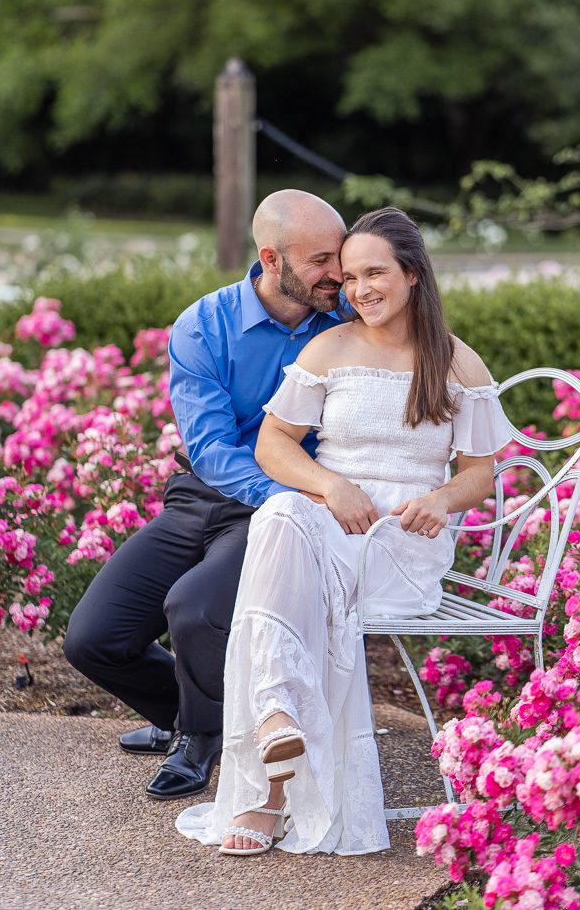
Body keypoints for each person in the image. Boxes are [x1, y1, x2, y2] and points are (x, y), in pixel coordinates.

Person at [175, 206, 512, 856]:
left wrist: (440, 499)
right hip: (332, 519)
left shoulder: (456, 361)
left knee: (289, 559)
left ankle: (267, 792)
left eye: (374, 272)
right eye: (350, 276)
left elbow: (479, 475)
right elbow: (274, 447)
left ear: (412, 273)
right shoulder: (329, 347)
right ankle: (276, 716)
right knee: (280, 514)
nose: (359, 289)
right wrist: (330, 485)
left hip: (401, 542)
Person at [63, 190, 349, 800]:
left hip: (288, 511)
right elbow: (212, 448)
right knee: (93, 639)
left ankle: (199, 741)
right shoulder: (205, 324)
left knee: (193, 609)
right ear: (272, 259)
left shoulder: (350, 320)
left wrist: (296, 501)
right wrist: (282, 488)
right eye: (322, 259)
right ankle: (194, 716)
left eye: (341, 254)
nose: (340, 272)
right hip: (207, 493)